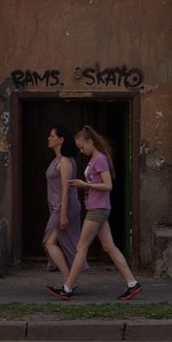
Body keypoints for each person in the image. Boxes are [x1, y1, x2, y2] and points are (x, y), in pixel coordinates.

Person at [54, 123, 141, 300]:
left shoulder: (99, 159)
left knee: (81, 247)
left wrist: (85, 185)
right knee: (109, 246)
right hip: (98, 207)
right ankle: (132, 283)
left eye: (82, 147)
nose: (81, 151)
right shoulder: (95, 159)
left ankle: (67, 288)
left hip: (97, 208)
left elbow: (108, 185)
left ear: (90, 142)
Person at [37, 124, 80, 285]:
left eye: (52, 136)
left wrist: (62, 214)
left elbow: (65, 189)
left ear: (61, 140)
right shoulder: (57, 160)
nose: (49, 138)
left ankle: (68, 280)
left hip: (63, 207)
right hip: (58, 206)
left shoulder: (65, 161)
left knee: (49, 242)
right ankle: (69, 281)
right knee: (56, 241)